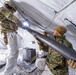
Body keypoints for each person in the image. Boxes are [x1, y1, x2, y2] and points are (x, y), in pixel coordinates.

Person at [0, 1, 20, 75]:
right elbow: (10, 16)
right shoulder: (3, 9)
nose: (12, 12)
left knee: (12, 52)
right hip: (9, 34)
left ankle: (11, 69)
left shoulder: (4, 11)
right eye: (12, 10)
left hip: (9, 33)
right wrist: (20, 23)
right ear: (9, 7)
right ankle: (8, 72)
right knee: (13, 53)